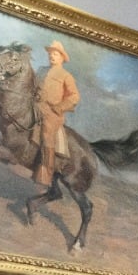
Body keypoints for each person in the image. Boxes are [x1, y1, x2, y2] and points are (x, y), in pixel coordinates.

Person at [34, 40, 80, 186]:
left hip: (52, 113)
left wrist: (58, 108)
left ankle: (45, 174)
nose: (52, 56)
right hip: (35, 105)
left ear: (62, 58)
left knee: (47, 133)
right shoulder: (41, 70)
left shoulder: (66, 76)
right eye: (50, 53)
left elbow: (74, 97)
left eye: (55, 54)